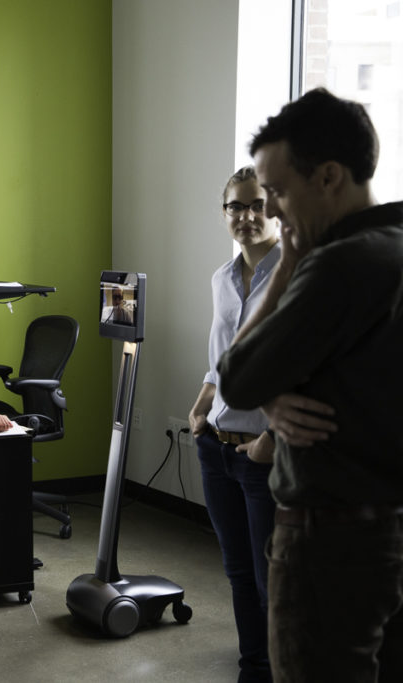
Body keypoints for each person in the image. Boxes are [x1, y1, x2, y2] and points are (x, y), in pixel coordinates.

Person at [218, 88, 403, 682]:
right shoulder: (394, 246)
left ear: (328, 176)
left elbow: (238, 379)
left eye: (276, 192)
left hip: (331, 539)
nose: (269, 211)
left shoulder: (335, 264)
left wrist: (285, 278)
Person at [188, 166, 279, 682]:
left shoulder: (297, 274)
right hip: (217, 448)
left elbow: (316, 370)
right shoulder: (223, 278)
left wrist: (273, 438)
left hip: (263, 455)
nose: (246, 215)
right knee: (240, 573)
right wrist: (201, 407)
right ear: (224, 212)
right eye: (236, 207)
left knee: (272, 581)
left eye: (257, 204)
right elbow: (219, 360)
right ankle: (254, 669)